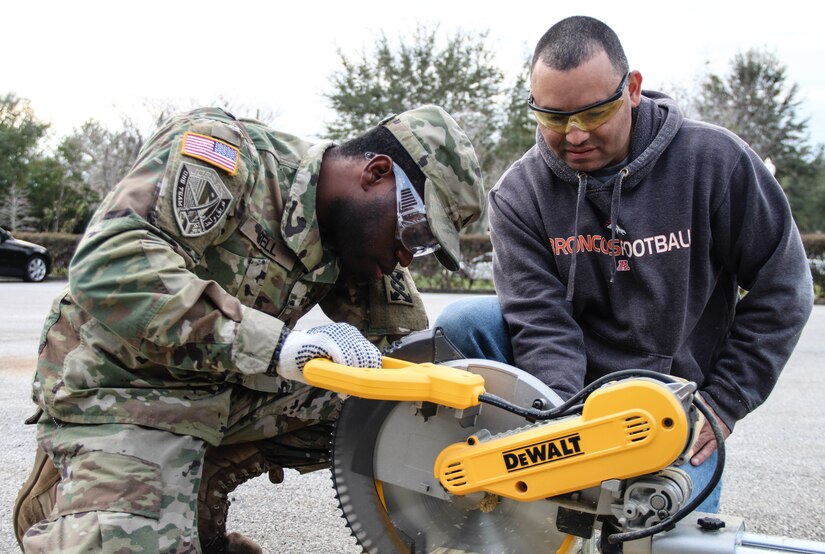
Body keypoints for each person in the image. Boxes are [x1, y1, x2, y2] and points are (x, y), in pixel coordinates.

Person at [14, 104, 485, 553]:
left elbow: (407, 358)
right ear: (377, 173)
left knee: (390, 407)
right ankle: (80, 490)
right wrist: (280, 347)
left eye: (423, 249)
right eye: (417, 234)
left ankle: (197, 481)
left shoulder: (360, 239)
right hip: (125, 393)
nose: (408, 256)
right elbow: (110, 263)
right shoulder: (227, 154)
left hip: (226, 395)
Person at [435, 16, 813, 514]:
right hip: (566, 396)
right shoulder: (519, 195)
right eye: (552, 118)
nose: (573, 136)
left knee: (669, 541)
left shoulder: (715, 163)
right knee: (463, 325)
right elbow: (542, 322)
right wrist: (567, 441)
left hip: (674, 406)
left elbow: (784, 287)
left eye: (592, 115)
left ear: (631, 89)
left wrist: (723, 403)